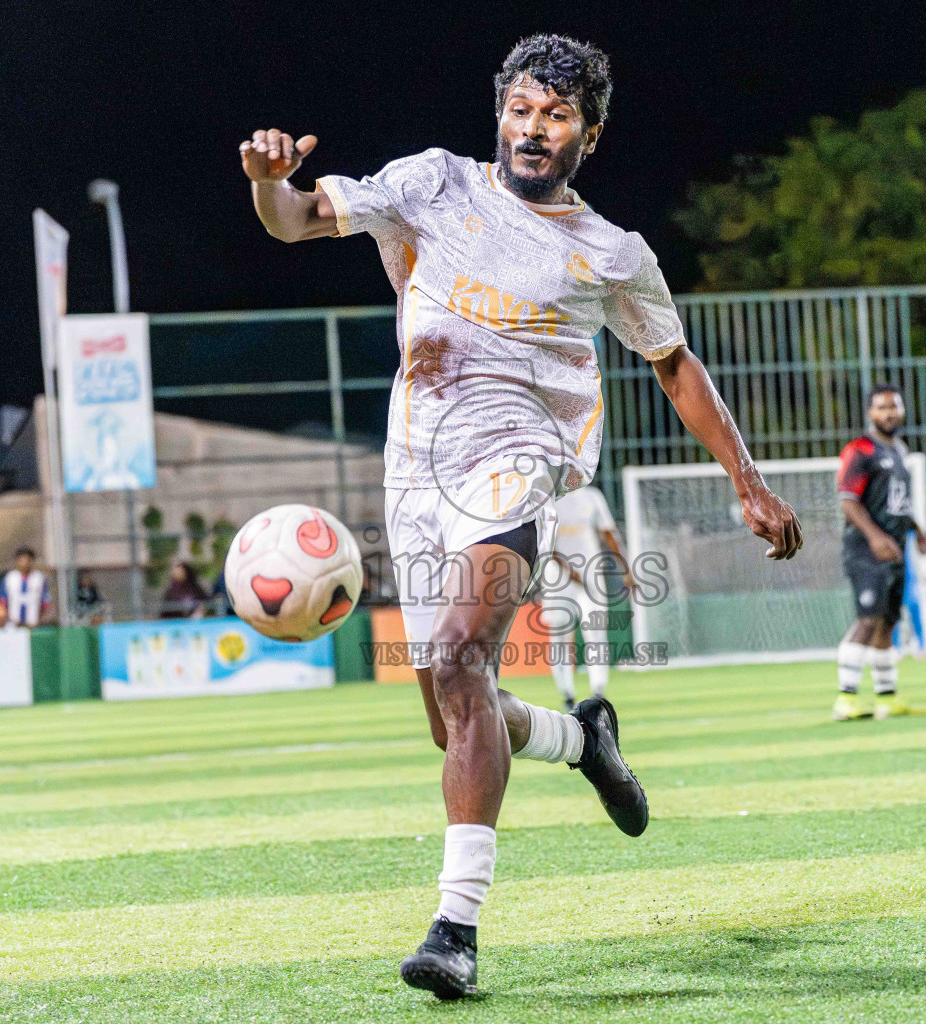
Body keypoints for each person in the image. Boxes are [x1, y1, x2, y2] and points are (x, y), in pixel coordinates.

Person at [240, 34, 803, 999]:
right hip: (416, 468)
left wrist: (746, 479)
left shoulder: (612, 253)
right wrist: (266, 180)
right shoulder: (431, 185)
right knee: (452, 710)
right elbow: (294, 221)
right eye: (522, 110)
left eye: (557, 116)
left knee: (463, 659)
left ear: (591, 132)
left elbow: (673, 363)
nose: (534, 131)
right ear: (498, 110)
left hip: (519, 463)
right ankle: (585, 741)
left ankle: (455, 929)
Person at [833, 385, 926, 722]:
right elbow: (848, 500)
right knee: (867, 619)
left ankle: (887, 698)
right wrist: (874, 537)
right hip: (865, 548)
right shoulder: (860, 450)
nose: (889, 412)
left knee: (888, 621)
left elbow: (897, 501)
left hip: (895, 548)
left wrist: (917, 530)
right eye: (881, 407)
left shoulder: (900, 450)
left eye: (894, 406)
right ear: (869, 413)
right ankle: (845, 698)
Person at [545, 486, 632, 711]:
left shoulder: (592, 496)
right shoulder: (548, 498)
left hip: (590, 575)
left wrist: (626, 568)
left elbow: (609, 533)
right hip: (557, 578)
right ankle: (567, 693)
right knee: (561, 636)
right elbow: (544, 543)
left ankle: (598, 690)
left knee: (595, 632)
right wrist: (567, 569)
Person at [0, 547, 51, 627]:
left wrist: (39, 619)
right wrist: (8, 617)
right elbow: (3, 601)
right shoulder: (10, 578)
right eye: (21, 560)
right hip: (13, 625)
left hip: (33, 625)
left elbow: (45, 602)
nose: (24, 564)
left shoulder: (39, 578)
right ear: (16, 561)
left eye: (27, 561)